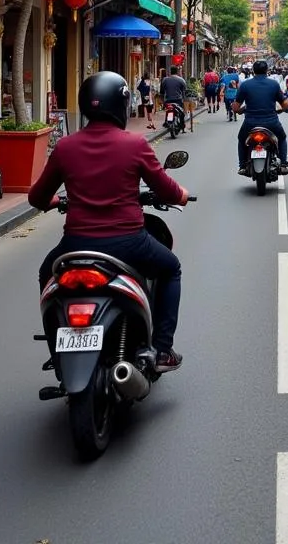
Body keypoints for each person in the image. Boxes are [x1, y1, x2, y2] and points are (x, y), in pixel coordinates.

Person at [29, 72, 190, 374]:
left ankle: (57, 347)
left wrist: (54, 202)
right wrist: (181, 194)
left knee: (46, 276)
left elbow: (37, 197)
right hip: (129, 242)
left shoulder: (65, 147)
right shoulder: (135, 145)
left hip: (75, 245)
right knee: (171, 268)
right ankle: (163, 349)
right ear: (122, 104)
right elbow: (166, 189)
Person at [233, 59, 288, 175]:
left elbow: (235, 107)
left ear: (253, 71)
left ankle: (242, 165)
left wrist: (241, 109)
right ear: (267, 70)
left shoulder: (245, 85)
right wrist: (280, 110)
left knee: (241, 139)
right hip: (272, 122)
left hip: (250, 123)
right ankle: (283, 164)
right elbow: (285, 104)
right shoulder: (274, 84)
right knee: (282, 138)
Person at [160, 65, 188, 133]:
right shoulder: (181, 80)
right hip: (178, 101)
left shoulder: (165, 80)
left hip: (168, 100)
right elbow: (184, 91)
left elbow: (162, 92)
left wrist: (163, 101)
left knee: (168, 110)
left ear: (170, 72)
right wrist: (184, 100)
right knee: (182, 113)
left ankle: (166, 122)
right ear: (177, 72)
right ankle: (182, 125)